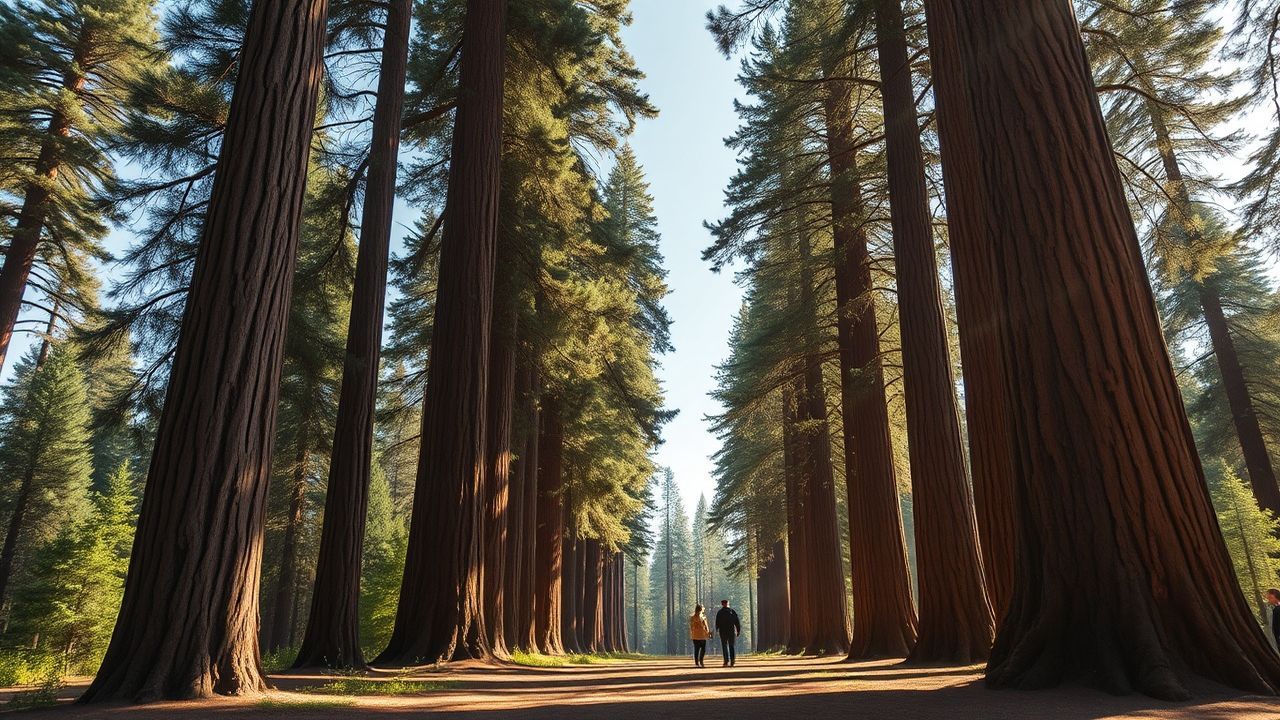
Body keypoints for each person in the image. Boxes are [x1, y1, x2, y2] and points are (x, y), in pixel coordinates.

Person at [715, 599, 741, 667]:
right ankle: (731, 660)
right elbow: (737, 621)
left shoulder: (720, 612)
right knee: (730, 646)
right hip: (730, 631)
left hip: (723, 631)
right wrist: (738, 630)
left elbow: (717, 622)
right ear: (727, 603)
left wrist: (717, 629)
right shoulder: (732, 611)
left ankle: (727, 661)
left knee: (725, 646)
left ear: (722, 604)